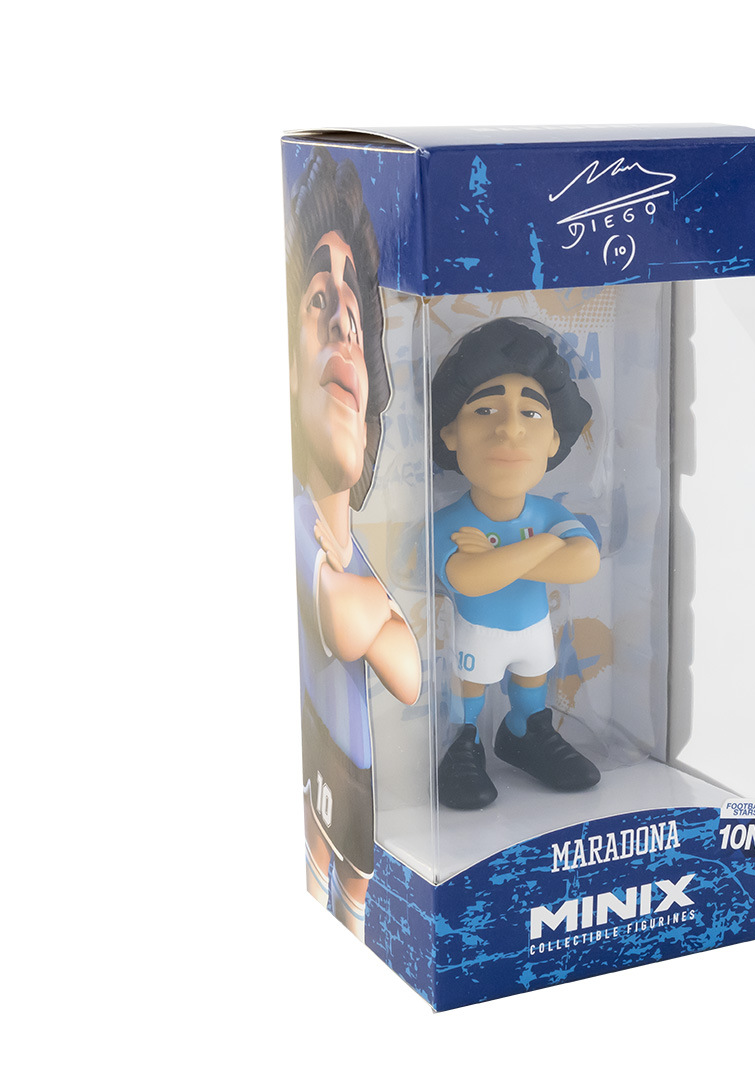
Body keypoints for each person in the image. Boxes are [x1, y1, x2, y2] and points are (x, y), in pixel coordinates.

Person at [286, 148, 421, 931]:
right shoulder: (290, 517)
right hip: (315, 766)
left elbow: (407, 674)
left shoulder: (352, 551)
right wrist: (374, 611)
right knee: (314, 884)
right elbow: (345, 623)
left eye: (356, 315)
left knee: (357, 910)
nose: (343, 317)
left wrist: (367, 606)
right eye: (317, 299)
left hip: (362, 776)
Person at [432, 318, 601, 810]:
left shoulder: (548, 513)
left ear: (553, 441)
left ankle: (525, 731)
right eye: (484, 410)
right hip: (475, 634)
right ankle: (462, 742)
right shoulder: (451, 520)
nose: (509, 428)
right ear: (450, 433)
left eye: (530, 412)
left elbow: (584, 562)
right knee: (469, 689)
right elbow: (468, 578)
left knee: (532, 681)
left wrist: (500, 560)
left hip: (532, 631)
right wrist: (545, 548)